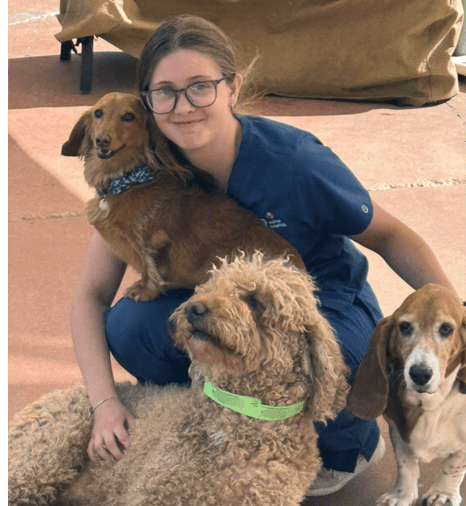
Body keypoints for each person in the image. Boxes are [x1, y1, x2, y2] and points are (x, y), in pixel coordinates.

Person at [70, 14, 459, 497]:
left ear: (232, 87)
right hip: (217, 302)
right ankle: (219, 424)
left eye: (200, 87)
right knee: (131, 327)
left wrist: (457, 318)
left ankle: (347, 446)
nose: (183, 106)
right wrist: (103, 402)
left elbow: (394, 236)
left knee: (327, 370)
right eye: (164, 92)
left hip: (319, 298)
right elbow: (90, 296)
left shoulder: (294, 162)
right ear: (147, 104)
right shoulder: (143, 170)